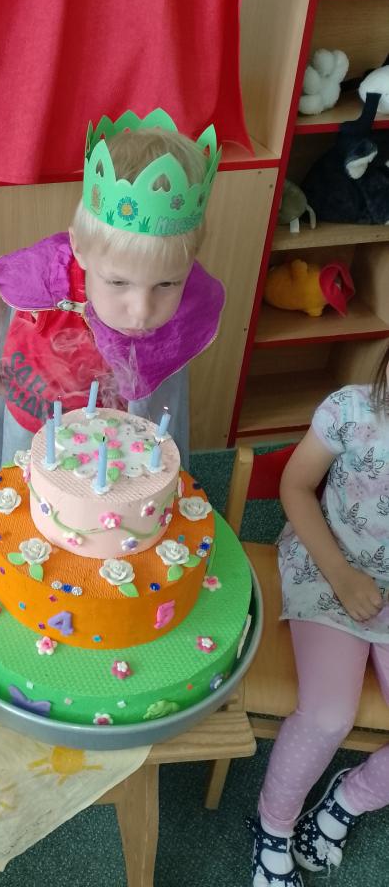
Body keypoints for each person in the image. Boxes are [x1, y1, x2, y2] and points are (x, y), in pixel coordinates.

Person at [0, 108, 225, 489]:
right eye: (118, 282)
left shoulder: (195, 289)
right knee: (28, 489)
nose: (142, 312)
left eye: (167, 284)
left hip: (122, 431)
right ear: (79, 248)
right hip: (36, 411)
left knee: (119, 489)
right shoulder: (44, 271)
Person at [250, 343, 389, 887]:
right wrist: (342, 575)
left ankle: (347, 800)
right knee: (329, 714)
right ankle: (273, 826)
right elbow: (296, 485)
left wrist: (354, 799)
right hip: (326, 565)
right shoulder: (352, 410)